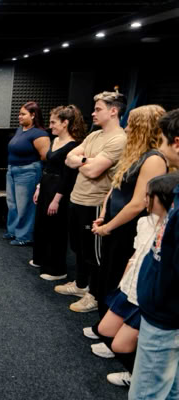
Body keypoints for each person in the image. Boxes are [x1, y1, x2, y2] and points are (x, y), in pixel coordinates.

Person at [86, 173, 179, 388]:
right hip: (130, 288)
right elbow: (135, 257)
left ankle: (137, 374)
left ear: (164, 200)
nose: (144, 199)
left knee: (120, 346)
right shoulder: (144, 222)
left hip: (147, 297)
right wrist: (122, 285)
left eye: (149, 196)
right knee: (105, 330)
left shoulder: (171, 230)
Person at [90, 105, 167, 319]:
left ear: (143, 127)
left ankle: (109, 327)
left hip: (127, 228)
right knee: (107, 272)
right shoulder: (136, 154)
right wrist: (104, 215)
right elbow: (115, 187)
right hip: (114, 222)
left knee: (117, 276)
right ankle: (103, 322)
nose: (126, 128)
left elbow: (138, 204)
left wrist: (108, 227)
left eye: (131, 124)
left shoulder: (153, 159)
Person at [55, 91, 127, 313]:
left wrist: (83, 162)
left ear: (113, 111)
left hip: (95, 203)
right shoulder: (94, 135)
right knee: (78, 247)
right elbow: (69, 158)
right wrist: (87, 160)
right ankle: (80, 285)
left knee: (93, 254)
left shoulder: (119, 139)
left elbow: (95, 171)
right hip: (77, 199)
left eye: (98, 109)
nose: (93, 113)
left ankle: (94, 295)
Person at [129, 109, 179, 399]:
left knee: (146, 394)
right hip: (163, 312)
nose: (159, 148)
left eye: (162, 140)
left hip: (166, 317)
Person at [31, 105, 86, 280]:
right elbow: (48, 166)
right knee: (42, 225)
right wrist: (39, 187)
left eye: (54, 122)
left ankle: (56, 270)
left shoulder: (73, 146)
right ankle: (41, 259)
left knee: (55, 229)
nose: (50, 126)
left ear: (65, 123)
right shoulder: (54, 140)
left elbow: (68, 176)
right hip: (46, 184)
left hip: (59, 189)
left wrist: (56, 200)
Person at [4, 101, 50, 246]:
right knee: (12, 204)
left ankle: (24, 236)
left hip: (28, 172)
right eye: (19, 114)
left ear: (33, 115)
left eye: (23, 114)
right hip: (12, 170)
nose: (19, 116)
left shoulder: (40, 134)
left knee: (25, 206)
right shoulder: (20, 130)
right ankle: (13, 231)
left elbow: (45, 156)